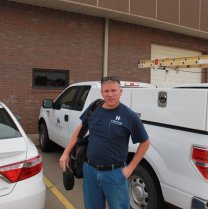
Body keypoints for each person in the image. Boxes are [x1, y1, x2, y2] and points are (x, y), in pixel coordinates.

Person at [59, 75, 150, 209]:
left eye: (113, 91)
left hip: (115, 174)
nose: (110, 94)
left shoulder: (129, 116)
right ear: (102, 92)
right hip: (90, 171)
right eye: (106, 91)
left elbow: (145, 142)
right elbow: (79, 132)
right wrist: (65, 153)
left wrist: (129, 169)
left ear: (120, 92)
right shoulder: (94, 108)